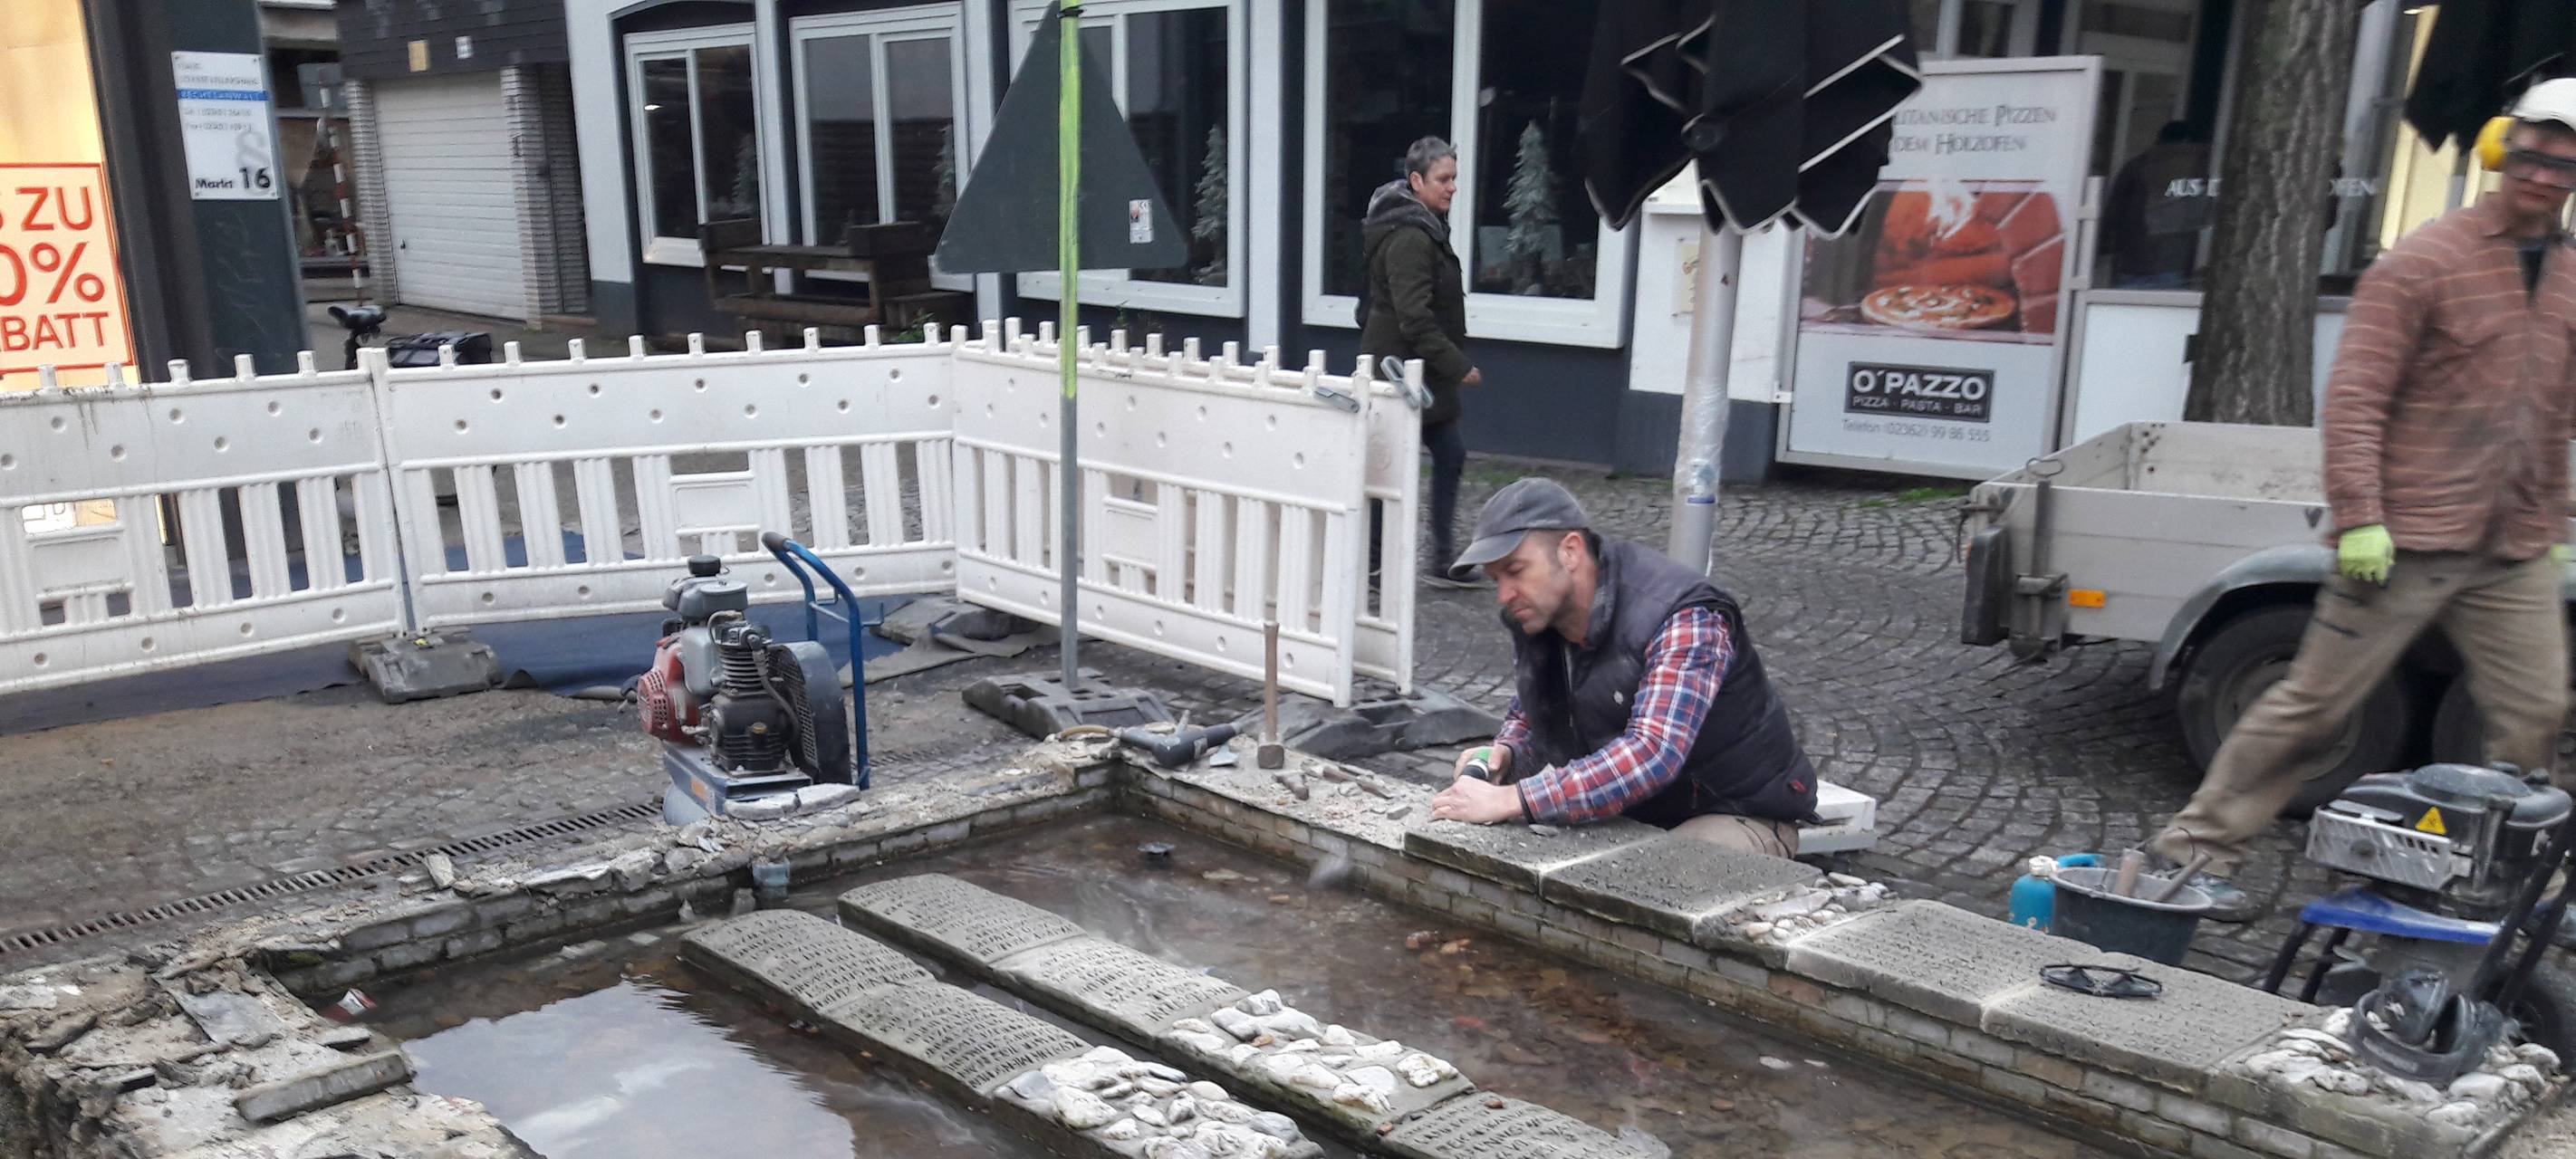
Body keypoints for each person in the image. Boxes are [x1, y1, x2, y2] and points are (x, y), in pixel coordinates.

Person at [2147, 79, 2576, 922]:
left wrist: (2555, 521)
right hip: (2404, 538)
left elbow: (2559, 411)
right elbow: (2355, 399)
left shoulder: (2568, 278)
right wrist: (2363, 515)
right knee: (2314, 707)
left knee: (2535, 715)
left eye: (2563, 164)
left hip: (2512, 546)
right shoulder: (2423, 261)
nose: (2543, 175)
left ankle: (2519, 879)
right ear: (2501, 150)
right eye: (2530, 154)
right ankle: (2189, 857)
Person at [1427, 478, 1819, 856]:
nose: (1504, 595)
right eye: (1495, 579)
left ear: (1571, 551)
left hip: (1738, 811)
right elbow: (1534, 709)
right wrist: (1506, 753)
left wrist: (1513, 798)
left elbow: (1652, 753)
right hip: (1643, 809)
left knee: (1659, 879)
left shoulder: (1684, 615)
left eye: (1515, 571)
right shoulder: (1544, 615)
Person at [1360, 137, 1484, 589]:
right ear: (1417, 181)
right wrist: (1458, 365)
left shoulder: (1424, 225)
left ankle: (1443, 559)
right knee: (1385, 467)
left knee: (1449, 454)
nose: (1452, 188)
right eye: (1443, 179)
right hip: (1400, 371)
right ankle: (1374, 567)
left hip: (1421, 370)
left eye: (1455, 178)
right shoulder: (1410, 235)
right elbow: (1414, 316)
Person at [2101, 121, 2211, 289]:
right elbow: (2205, 215)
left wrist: (2102, 246)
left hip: (2133, 262)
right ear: (2187, 142)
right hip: (2173, 263)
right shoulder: (2196, 170)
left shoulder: (2136, 167)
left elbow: (2113, 213)